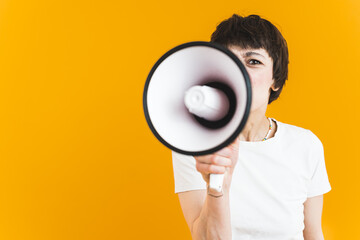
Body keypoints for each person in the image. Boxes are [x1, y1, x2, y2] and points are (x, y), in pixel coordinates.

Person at [172, 14, 331, 240]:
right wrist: (217, 189)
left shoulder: (306, 145)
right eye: (228, 61)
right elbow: (204, 237)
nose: (237, 72)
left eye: (253, 61)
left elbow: (314, 233)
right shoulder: (195, 146)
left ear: (275, 79)